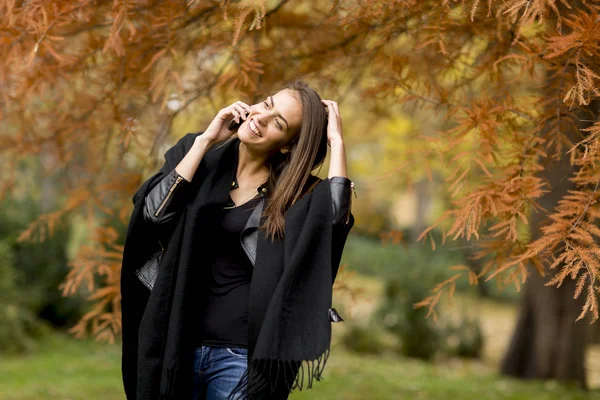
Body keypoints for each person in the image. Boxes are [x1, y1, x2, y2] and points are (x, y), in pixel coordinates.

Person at [120, 79, 355, 400]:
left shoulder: (299, 195)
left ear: (286, 145)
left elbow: (332, 223)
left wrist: (337, 142)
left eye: (278, 124)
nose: (261, 117)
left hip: (242, 356)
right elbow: (154, 214)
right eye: (267, 104)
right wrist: (205, 140)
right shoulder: (198, 156)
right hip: (179, 341)